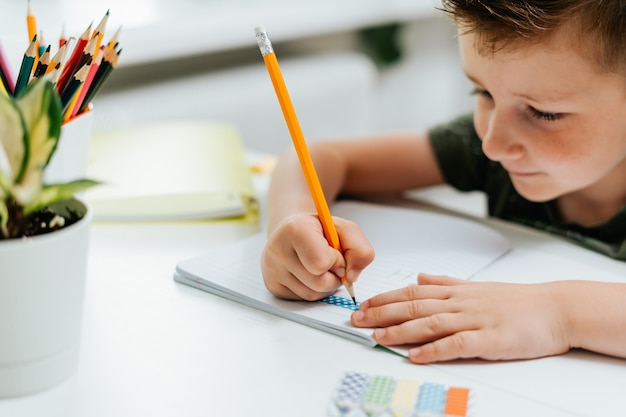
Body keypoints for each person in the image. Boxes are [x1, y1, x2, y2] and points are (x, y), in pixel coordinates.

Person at [261, 0, 626, 364]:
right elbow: (319, 158)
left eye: (544, 112)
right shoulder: (489, 144)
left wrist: (559, 313)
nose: (493, 144)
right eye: (483, 93)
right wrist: (294, 223)